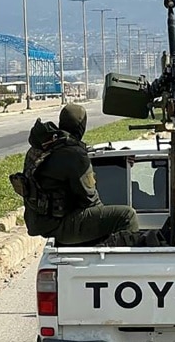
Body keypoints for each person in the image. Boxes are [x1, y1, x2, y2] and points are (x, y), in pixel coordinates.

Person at [20, 104, 145, 246]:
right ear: (82, 127)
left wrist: (115, 159)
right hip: (62, 227)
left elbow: (65, 164)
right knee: (127, 216)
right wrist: (106, 224)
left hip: (41, 222)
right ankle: (119, 265)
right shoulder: (74, 155)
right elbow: (91, 200)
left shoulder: (44, 147)